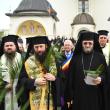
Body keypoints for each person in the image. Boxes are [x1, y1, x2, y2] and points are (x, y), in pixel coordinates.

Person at [65, 31, 108, 110]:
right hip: (79, 96)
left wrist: (101, 79)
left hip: (95, 95)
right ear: (81, 43)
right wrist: (70, 96)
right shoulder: (75, 59)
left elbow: (105, 74)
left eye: (90, 43)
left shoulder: (100, 57)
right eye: (85, 43)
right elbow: (70, 78)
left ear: (93, 43)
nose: (87, 45)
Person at [16, 36, 59, 110]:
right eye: (36, 47)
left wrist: (54, 78)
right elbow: (21, 81)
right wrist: (34, 82)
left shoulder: (53, 60)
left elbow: (62, 79)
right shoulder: (28, 63)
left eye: (41, 46)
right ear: (33, 47)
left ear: (46, 46)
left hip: (51, 102)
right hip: (32, 103)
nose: (39, 49)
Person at [0, 35, 22, 110]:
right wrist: (3, 86)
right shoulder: (1, 59)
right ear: (3, 47)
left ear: (15, 46)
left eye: (11, 45)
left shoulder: (21, 58)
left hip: (19, 90)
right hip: (4, 92)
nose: (9, 47)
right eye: (7, 45)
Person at [61, 39, 74, 110]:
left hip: (72, 81)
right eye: (66, 45)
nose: (67, 46)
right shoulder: (60, 56)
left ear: (72, 46)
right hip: (63, 82)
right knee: (63, 101)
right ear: (63, 46)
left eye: (68, 45)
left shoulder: (75, 56)